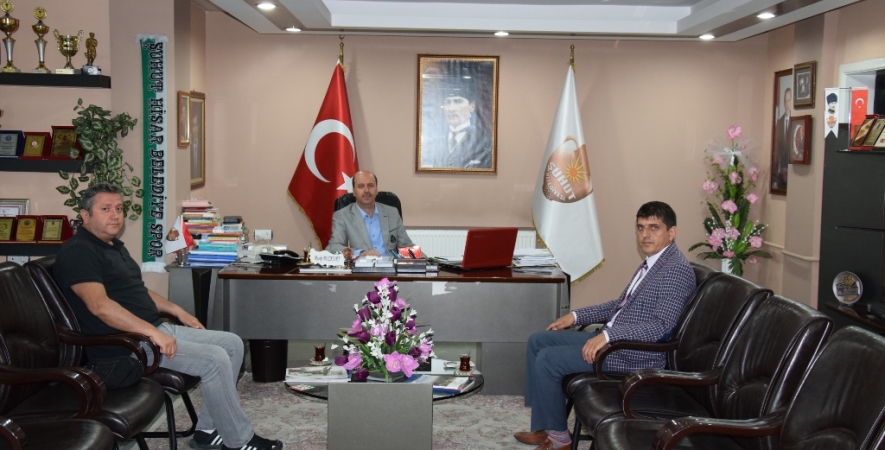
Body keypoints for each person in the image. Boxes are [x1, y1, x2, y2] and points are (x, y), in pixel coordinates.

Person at [54, 183, 283, 450]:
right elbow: (99, 306)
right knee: (214, 359)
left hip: (151, 330)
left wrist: (178, 311)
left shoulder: (112, 246)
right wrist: (154, 334)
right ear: (85, 215)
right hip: (125, 346)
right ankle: (239, 441)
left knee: (231, 344)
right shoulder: (79, 252)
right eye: (105, 209)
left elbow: (138, 292)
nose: (115, 215)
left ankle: (207, 432)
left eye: (119, 208)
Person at [513, 201, 696, 450]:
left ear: (671, 232)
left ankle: (559, 440)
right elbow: (620, 305)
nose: (645, 234)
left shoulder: (675, 270)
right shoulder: (654, 262)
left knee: (548, 359)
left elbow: (661, 327)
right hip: (614, 341)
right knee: (538, 340)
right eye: (641, 227)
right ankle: (544, 427)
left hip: (631, 353)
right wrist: (576, 316)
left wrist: (609, 336)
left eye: (654, 228)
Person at [326, 170, 414, 257]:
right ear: (354, 191)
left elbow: (407, 246)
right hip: (361, 264)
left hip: (390, 264)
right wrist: (360, 253)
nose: (366, 190)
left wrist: (421, 258)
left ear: (376, 189)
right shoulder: (342, 216)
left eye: (370, 185)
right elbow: (333, 248)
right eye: (361, 186)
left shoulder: (392, 213)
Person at [420, 80, 492, 169]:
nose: (451, 108)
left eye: (458, 101)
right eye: (447, 102)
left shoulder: (485, 140)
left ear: (472, 106)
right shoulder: (432, 139)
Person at [773, 87, 792, 190]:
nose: (787, 103)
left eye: (789, 100)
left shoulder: (796, 121)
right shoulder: (779, 122)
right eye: (785, 101)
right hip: (781, 168)